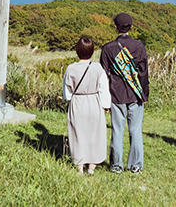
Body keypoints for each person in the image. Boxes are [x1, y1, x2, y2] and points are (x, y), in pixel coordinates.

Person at [101, 12, 149, 174]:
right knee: (135, 130)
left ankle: (116, 165)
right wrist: (145, 94)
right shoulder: (139, 46)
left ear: (115, 27)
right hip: (135, 94)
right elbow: (143, 73)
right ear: (131, 27)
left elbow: (103, 75)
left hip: (116, 94)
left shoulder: (108, 48)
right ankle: (136, 164)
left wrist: (104, 99)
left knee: (117, 130)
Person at [63, 36, 111, 175]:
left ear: (77, 50)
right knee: (95, 135)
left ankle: (79, 167)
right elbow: (103, 88)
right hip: (94, 102)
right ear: (92, 51)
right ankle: (92, 167)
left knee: (78, 135)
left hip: (78, 103)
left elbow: (67, 94)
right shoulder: (97, 67)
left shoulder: (70, 68)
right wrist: (106, 105)